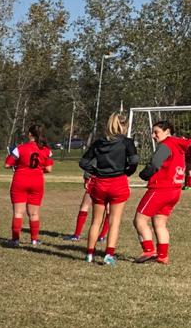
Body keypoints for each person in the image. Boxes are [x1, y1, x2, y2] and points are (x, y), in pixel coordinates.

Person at [79, 113, 139, 265]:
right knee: (114, 221)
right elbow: (134, 160)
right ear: (124, 126)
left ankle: (89, 254)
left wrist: (95, 172)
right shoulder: (127, 142)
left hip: (100, 183)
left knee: (96, 221)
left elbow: (84, 162)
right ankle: (108, 255)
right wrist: (127, 171)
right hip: (118, 182)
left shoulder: (99, 142)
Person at [134, 119, 189, 265]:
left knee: (139, 220)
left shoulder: (166, 145)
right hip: (175, 191)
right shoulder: (179, 146)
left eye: (156, 132)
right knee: (160, 223)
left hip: (160, 189)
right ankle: (163, 256)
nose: (153, 135)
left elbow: (155, 163)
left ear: (167, 132)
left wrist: (144, 174)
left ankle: (148, 250)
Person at [4, 124, 53, 246]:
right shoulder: (46, 150)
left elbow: (7, 164)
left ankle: (15, 240)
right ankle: (34, 239)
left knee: (18, 212)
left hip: (20, 180)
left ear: (30, 134)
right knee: (34, 213)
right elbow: (49, 169)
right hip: (37, 182)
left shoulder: (20, 148)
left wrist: (16, 166)